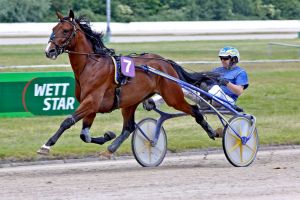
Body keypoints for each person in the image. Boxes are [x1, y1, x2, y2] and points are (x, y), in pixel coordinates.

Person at [143, 46, 249, 137]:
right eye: (221, 58)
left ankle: (205, 96)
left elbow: (239, 91)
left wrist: (227, 83)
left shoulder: (240, 73)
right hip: (206, 97)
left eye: (225, 58)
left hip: (225, 100)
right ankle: (153, 101)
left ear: (234, 59)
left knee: (216, 88)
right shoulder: (217, 70)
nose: (222, 60)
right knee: (178, 88)